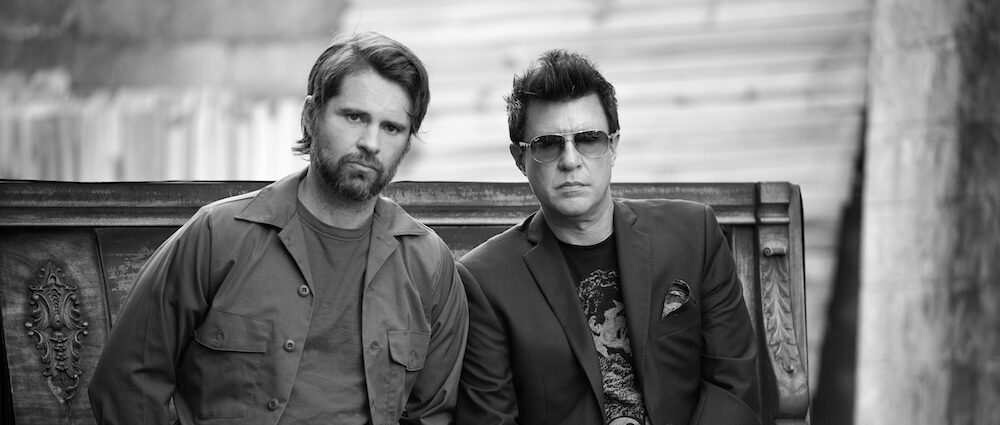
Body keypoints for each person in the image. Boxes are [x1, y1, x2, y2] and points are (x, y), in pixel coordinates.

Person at [89, 31, 469, 425]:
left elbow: (432, 414)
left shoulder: (428, 263)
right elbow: (127, 382)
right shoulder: (218, 235)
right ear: (311, 116)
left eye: (391, 128)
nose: (371, 143)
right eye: (354, 117)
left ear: (407, 142)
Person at [455, 49, 761, 425]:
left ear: (613, 146)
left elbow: (734, 384)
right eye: (548, 144)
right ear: (520, 159)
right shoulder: (486, 281)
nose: (570, 160)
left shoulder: (693, 234)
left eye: (588, 139)